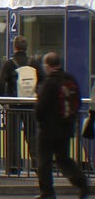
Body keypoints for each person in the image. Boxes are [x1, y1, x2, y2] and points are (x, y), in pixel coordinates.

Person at [35, 52, 88, 199]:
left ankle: (47, 192)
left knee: (44, 161)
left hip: (47, 130)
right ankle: (82, 183)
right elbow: (77, 102)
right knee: (64, 159)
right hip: (66, 127)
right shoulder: (69, 79)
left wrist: (40, 121)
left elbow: (41, 108)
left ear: (48, 66)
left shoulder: (49, 82)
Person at [0, 35, 41, 175]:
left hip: (14, 105)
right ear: (26, 47)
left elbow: (0, 83)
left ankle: (14, 166)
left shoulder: (9, 64)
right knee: (33, 135)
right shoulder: (34, 62)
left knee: (13, 136)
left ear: (15, 47)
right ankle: (37, 164)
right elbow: (42, 80)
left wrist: (3, 102)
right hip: (31, 105)